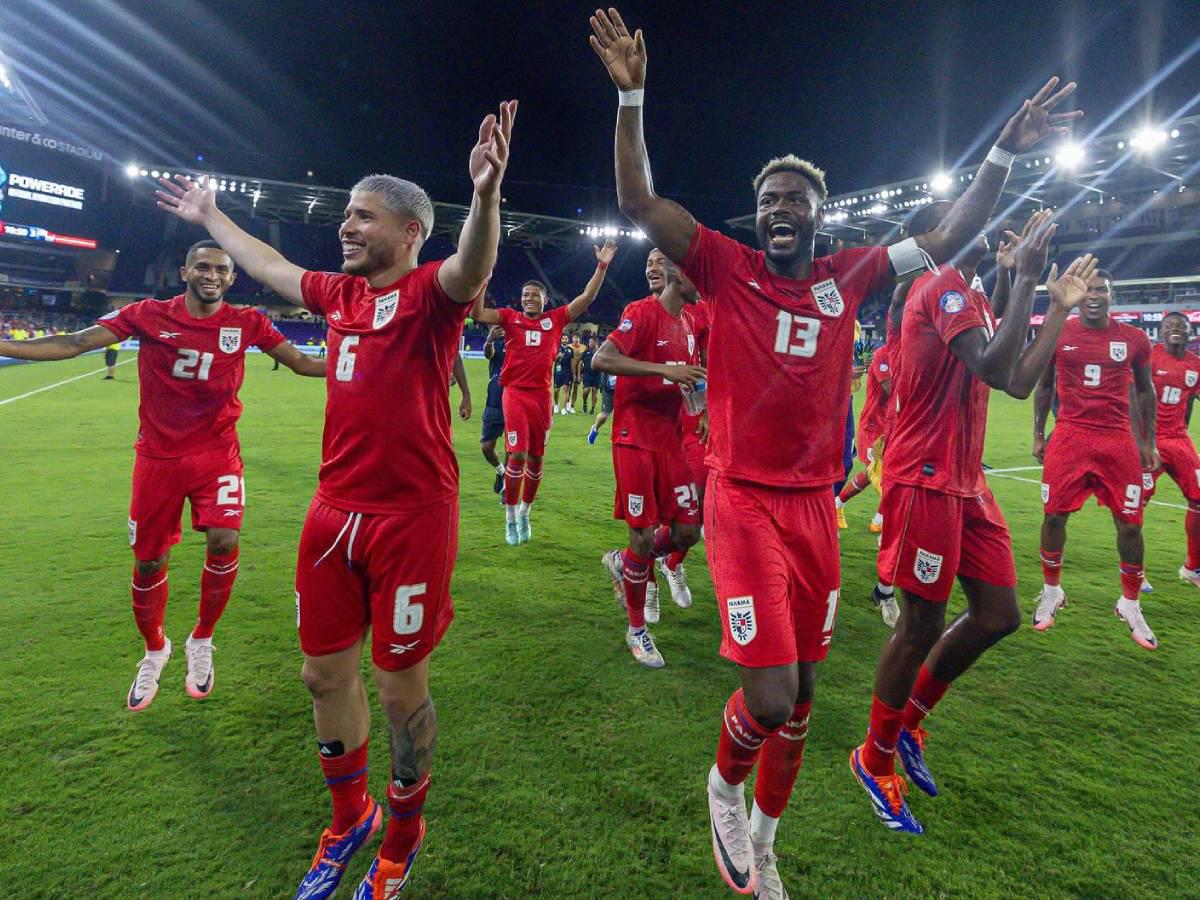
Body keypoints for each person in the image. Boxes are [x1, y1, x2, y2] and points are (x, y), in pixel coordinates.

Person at [589, 8, 1080, 894]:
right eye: (769, 200)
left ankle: (767, 847)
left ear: (819, 214)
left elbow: (946, 238)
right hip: (742, 499)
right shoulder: (726, 265)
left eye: (795, 200)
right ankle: (722, 789)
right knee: (769, 697)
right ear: (756, 216)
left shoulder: (849, 274)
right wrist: (632, 99)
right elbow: (638, 203)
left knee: (807, 698)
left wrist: (1003, 153)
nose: (779, 209)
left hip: (815, 508)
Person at [157, 99, 516, 898]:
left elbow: (471, 266)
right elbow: (267, 266)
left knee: (399, 689)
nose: (346, 226)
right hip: (332, 514)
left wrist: (486, 195)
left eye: (362, 216)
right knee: (322, 677)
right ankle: (350, 817)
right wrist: (211, 215)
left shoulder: (431, 293)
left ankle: (404, 833)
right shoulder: (339, 296)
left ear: (409, 232)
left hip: (412, 520)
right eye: (347, 214)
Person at [849, 210, 1095, 833]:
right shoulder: (940, 286)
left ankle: (909, 724)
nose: (984, 223)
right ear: (945, 234)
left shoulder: (973, 296)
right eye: (969, 217)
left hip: (966, 481)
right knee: (920, 624)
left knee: (998, 614)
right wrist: (1027, 277)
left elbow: (1017, 379)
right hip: (925, 478)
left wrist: (1053, 304)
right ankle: (873, 758)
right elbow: (991, 367)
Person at [0, 240, 325, 712]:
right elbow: (75, 343)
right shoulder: (149, 315)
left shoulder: (247, 322)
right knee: (150, 562)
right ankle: (155, 649)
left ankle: (202, 639)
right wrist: (5, 345)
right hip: (158, 459)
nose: (212, 275)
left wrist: (370, 365)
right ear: (185, 272)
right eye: (203, 267)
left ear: (232, 278)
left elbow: (303, 363)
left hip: (218, 456)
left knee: (224, 541)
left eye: (221, 269)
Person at [1032, 269, 1160, 649]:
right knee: (1054, 516)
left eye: (1101, 289)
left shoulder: (1134, 339)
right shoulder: (1058, 332)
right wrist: (1038, 434)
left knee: (1131, 525)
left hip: (1117, 441)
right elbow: (1044, 385)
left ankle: (1130, 603)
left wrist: (1148, 441)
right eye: (1087, 289)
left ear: (1111, 296)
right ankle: (1052, 591)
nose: (1093, 295)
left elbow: (1145, 391)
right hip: (1070, 436)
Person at [595, 254, 706, 666]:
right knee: (642, 536)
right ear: (680, 275)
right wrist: (663, 370)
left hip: (672, 442)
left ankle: (624, 563)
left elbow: (685, 379)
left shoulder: (689, 324)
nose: (703, 286)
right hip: (634, 440)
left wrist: (700, 403)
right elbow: (602, 358)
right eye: (698, 277)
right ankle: (637, 630)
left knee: (688, 531)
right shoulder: (641, 313)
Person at [472, 240, 617, 545]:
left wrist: (601, 265)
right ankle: (510, 518)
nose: (528, 299)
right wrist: (484, 278)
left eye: (534, 295)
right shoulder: (510, 318)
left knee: (537, 459)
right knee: (517, 454)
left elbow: (587, 297)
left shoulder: (556, 320)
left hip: (541, 398)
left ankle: (525, 513)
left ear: (544, 299)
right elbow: (478, 312)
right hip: (515, 394)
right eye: (525, 294)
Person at [1143, 311, 1200, 586]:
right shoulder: (1149, 358)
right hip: (1148, 440)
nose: (1175, 328)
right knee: (1134, 505)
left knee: (1199, 498)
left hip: (1178, 440)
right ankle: (1134, 572)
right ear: (1161, 332)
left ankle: (1193, 568)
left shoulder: (1196, 365)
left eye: (1181, 325)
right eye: (1169, 325)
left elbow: (1190, 400)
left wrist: (1183, 430)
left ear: (1191, 332)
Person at [481, 325, 508, 493]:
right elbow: (488, 354)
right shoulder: (496, 341)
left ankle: (508, 488)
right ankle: (501, 471)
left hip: (516, 398)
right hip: (495, 398)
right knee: (487, 447)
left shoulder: (520, 340)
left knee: (513, 447)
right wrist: (490, 340)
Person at [553, 332, 575, 414]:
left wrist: (574, 374)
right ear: (561, 339)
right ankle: (556, 404)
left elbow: (572, 363)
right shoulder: (556, 348)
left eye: (566, 338)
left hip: (567, 372)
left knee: (566, 389)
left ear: (568, 339)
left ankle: (563, 408)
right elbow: (552, 359)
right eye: (563, 338)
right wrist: (558, 356)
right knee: (556, 390)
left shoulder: (570, 350)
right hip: (558, 372)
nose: (564, 340)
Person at [580, 334, 601, 414]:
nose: (590, 344)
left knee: (595, 391)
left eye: (591, 342)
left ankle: (592, 408)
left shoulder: (600, 352)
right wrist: (579, 374)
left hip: (597, 375)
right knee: (586, 390)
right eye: (589, 342)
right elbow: (580, 362)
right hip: (587, 374)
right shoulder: (586, 351)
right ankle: (584, 402)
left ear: (596, 343)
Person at [569, 329, 588, 412]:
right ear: (572, 338)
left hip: (579, 371)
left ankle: (572, 406)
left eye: (577, 338)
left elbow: (585, 359)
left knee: (576, 388)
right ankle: (567, 403)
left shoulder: (584, 347)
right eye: (574, 338)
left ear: (580, 339)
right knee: (568, 388)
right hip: (569, 370)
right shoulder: (569, 347)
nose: (576, 340)